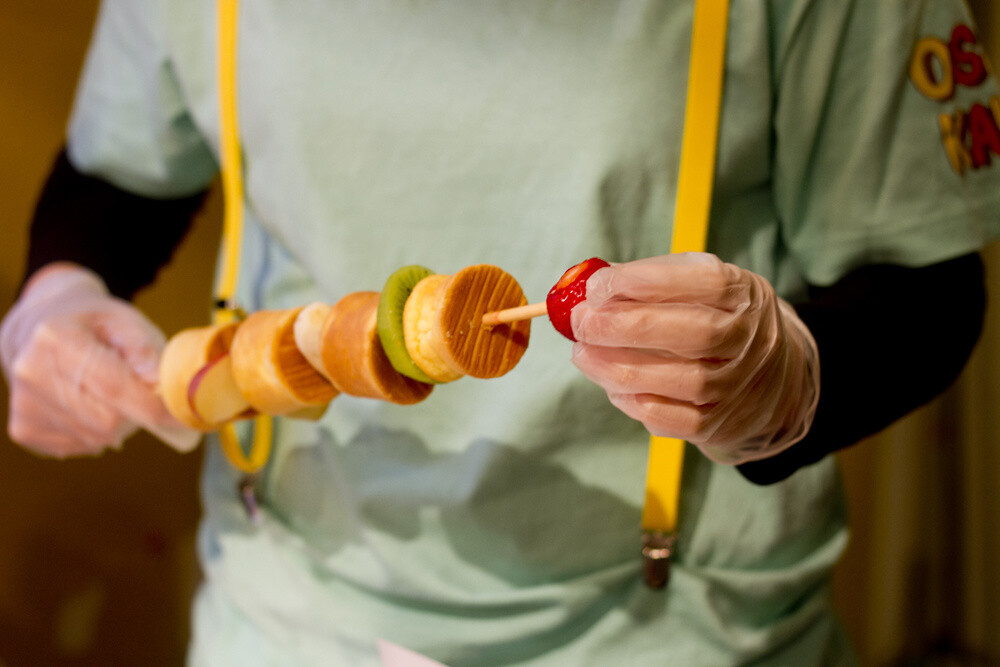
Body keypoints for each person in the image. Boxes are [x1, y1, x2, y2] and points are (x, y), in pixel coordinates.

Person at [2, 0, 998, 664]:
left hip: (674, 631)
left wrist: (793, 383)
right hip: (282, 611)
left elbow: (930, 285)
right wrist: (56, 290)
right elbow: (119, 175)